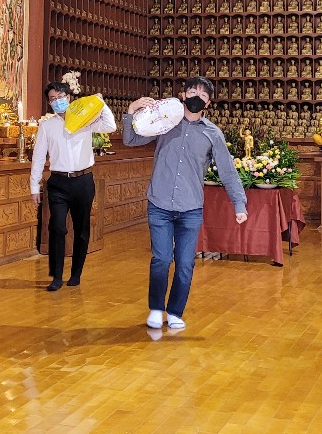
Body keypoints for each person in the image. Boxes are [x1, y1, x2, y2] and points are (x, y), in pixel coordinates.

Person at [123, 76, 247, 332]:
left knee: (185, 263)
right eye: (192, 92)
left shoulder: (213, 133)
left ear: (208, 103)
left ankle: (175, 311)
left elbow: (228, 171)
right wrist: (131, 111)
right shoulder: (165, 123)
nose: (196, 98)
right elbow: (131, 140)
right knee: (161, 259)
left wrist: (239, 204)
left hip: (190, 208)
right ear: (182, 95)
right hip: (159, 203)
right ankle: (156, 308)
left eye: (203, 95)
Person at [30, 81, 116, 291]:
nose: (57, 101)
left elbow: (110, 126)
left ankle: (76, 273)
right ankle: (57, 276)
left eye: (60, 97)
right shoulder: (47, 126)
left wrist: (100, 103)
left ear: (68, 98)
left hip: (82, 181)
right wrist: (34, 186)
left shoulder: (85, 119)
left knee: (82, 229)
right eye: (52, 99)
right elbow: (39, 157)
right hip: (58, 182)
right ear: (49, 103)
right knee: (57, 228)